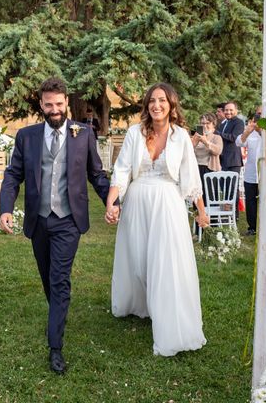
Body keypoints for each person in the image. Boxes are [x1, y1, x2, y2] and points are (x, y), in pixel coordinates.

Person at [0, 77, 111, 374]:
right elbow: (13, 175)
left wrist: (111, 201)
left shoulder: (83, 134)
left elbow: (96, 175)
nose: (54, 109)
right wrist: (5, 208)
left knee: (60, 279)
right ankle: (58, 314)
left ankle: (55, 347)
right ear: (41, 104)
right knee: (48, 279)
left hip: (69, 220)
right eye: (49, 105)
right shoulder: (27, 136)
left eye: (59, 104)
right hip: (39, 219)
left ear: (66, 103)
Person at [105, 82, 209, 357]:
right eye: (152, 101)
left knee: (166, 262)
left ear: (171, 105)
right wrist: (112, 201)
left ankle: (169, 314)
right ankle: (140, 304)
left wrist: (200, 209)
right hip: (137, 200)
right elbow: (122, 169)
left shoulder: (181, 137)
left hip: (168, 203)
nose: (156, 105)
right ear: (146, 106)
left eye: (162, 100)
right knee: (138, 260)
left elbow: (190, 176)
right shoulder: (134, 134)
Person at [236, 111, 263, 236]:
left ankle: (264, 225)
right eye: (256, 123)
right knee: (251, 201)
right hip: (251, 174)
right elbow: (239, 143)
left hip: (264, 175)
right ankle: (252, 227)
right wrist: (247, 131)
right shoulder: (250, 134)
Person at [218, 101, 245, 221]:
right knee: (225, 189)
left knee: (232, 189)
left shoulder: (239, 122)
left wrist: (218, 134)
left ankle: (234, 216)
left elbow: (234, 138)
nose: (228, 112)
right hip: (223, 159)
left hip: (233, 160)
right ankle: (227, 212)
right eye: (226, 110)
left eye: (230, 110)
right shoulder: (223, 123)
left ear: (236, 111)